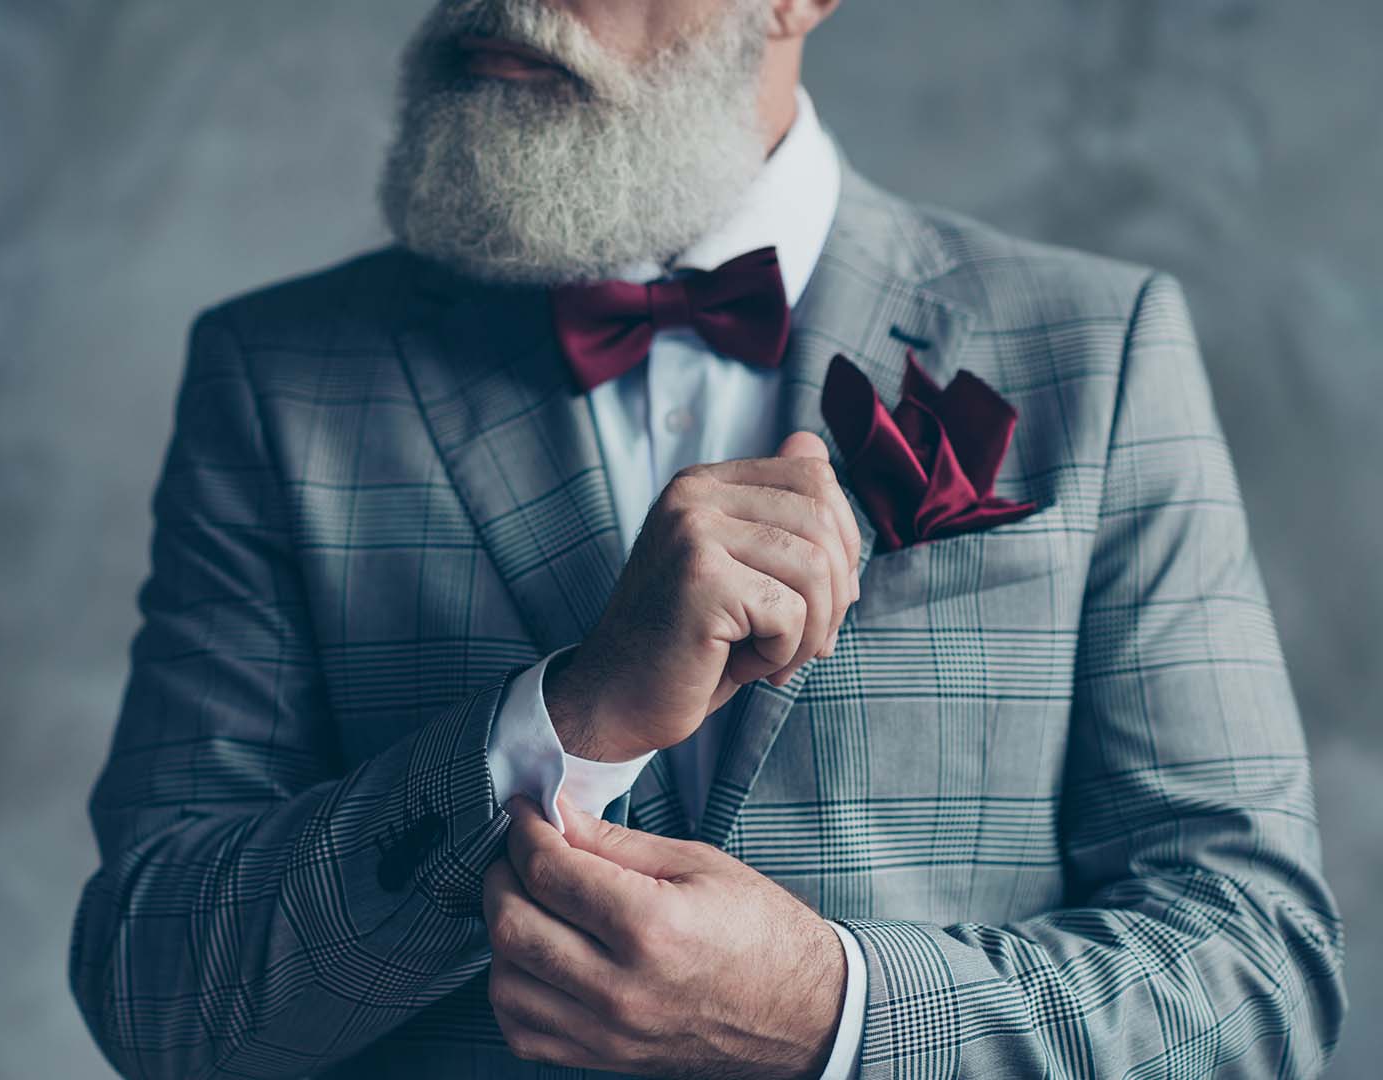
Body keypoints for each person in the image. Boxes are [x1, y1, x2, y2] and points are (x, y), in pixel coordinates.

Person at [69, 1, 1347, 1076]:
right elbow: (156, 986)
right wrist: (566, 723)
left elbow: (1254, 966)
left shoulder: (1097, 351)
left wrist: (829, 1013)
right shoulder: (277, 374)